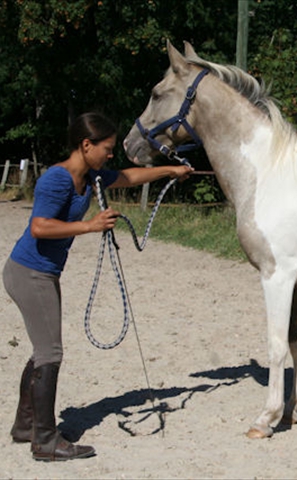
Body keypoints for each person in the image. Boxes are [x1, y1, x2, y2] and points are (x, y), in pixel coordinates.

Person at [2, 112, 193, 462]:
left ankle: (24, 425)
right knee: (50, 353)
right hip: (29, 272)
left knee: (42, 349)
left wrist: (171, 171)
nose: (110, 155)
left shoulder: (90, 177)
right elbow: (40, 227)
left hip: (41, 272)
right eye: (105, 148)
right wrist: (90, 227)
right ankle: (44, 440)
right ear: (85, 145)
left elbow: (129, 176)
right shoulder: (56, 180)